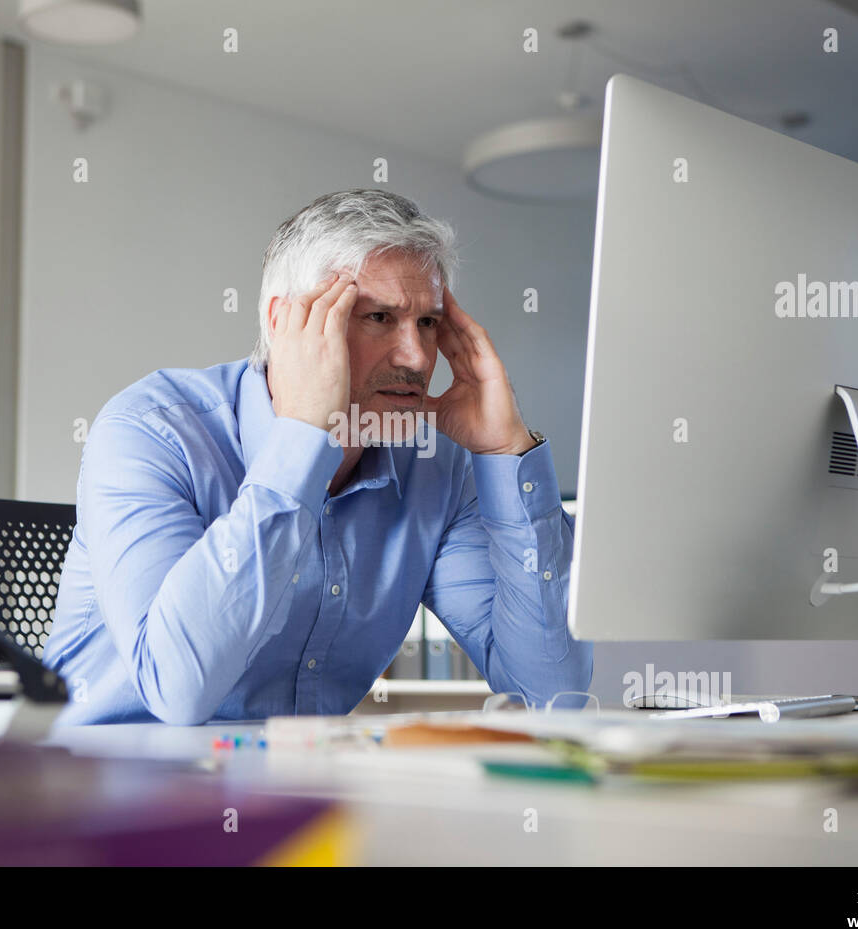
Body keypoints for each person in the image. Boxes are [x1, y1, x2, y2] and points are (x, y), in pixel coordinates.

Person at [43, 188, 592, 724]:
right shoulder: (151, 431)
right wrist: (305, 438)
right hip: (106, 786)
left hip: (296, 789)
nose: (418, 356)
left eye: (427, 322)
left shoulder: (434, 466)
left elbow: (550, 692)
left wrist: (505, 452)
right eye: (378, 317)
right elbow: (176, 690)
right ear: (285, 324)